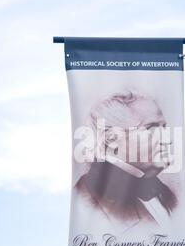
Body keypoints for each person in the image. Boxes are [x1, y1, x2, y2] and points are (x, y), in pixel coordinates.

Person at [75, 90, 177, 232]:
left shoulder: (167, 196)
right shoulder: (85, 203)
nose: (168, 139)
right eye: (151, 128)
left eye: (164, 128)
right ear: (112, 140)